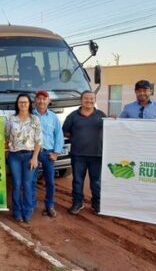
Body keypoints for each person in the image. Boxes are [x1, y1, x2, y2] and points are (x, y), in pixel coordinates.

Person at [62, 91, 106, 215]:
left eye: (92, 99)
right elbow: (65, 131)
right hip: (78, 155)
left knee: (96, 182)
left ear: (95, 100)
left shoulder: (101, 115)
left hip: (97, 155)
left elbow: (109, 129)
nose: (89, 101)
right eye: (86, 98)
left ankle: (96, 204)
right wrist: (77, 138)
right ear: (81, 100)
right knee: (77, 181)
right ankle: (77, 203)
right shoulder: (72, 116)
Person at [6, 94, 42, 223]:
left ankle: (27, 212)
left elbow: (39, 141)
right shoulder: (11, 119)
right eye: (20, 102)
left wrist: (35, 157)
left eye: (25, 102)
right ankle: (17, 212)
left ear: (29, 104)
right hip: (14, 156)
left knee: (27, 184)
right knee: (16, 184)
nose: (23, 104)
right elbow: (6, 136)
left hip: (29, 156)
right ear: (17, 104)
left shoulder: (35, 120)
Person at [33, 90, 64, 218]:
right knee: (31, 180)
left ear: (48, 101)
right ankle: (31, 205)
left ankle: (49, 206)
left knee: (50, 182)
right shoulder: (29, 115)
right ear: (35, 101)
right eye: (39, 98)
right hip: (33, 154)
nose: (41, 101)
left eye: (44, 99)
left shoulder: (53, 117)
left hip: (48, 153)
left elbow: (59, 135)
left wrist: (56, 153)